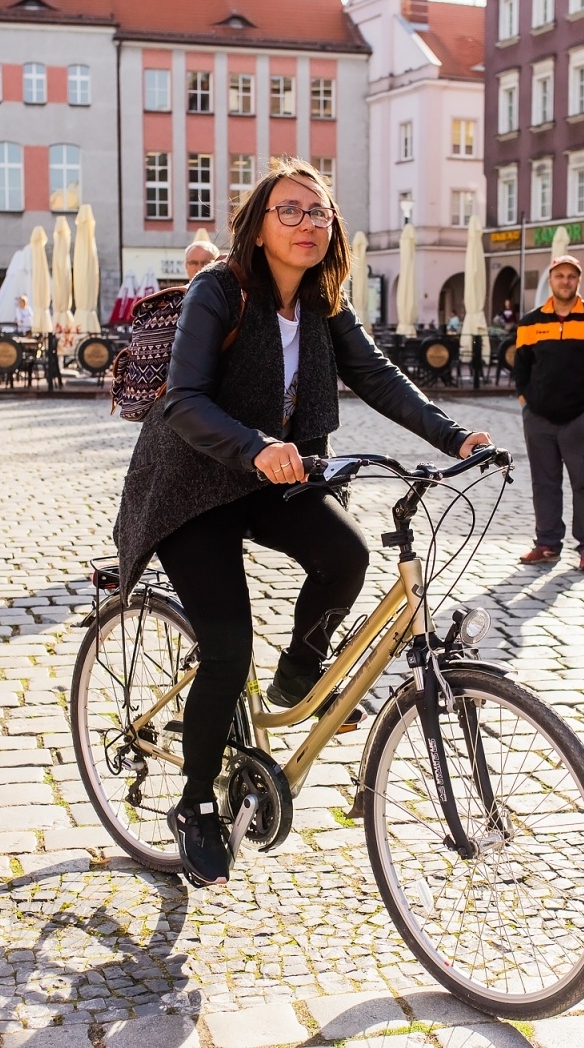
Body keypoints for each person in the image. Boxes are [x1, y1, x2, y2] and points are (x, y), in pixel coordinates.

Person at [113, 158, 492, 888]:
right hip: (193, 481)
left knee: (346, 556)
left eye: (319, 211)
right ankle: (194, 805)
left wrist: (454, 438)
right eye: (290, 210)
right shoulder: (218, 291)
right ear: (257, 228)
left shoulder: (324, 303)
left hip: (274, 475)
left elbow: (378, 375)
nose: (309, 223)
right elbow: (184, 399)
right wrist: (256, 446)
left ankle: (296, 678)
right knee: (226, 644)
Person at [511, 255, 584, 573]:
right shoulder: (531, 323)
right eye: (559, 275)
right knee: (544, 484)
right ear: (551, 280)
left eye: (571, 276)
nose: (565, 281)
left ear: (578, 281)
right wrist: (526, 406)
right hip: (539, 420)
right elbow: (520, 368)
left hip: (580, 420)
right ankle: (546, 544)